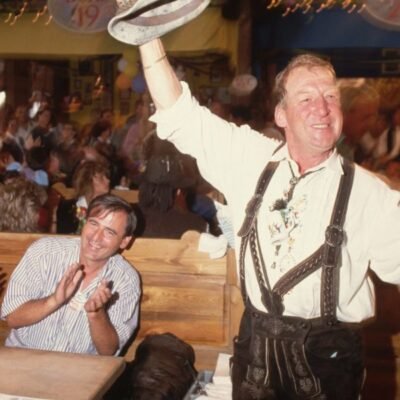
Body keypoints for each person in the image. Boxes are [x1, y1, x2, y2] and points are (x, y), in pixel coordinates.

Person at [138, 39, 400, 399]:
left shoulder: (371, 194)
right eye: (306, 98)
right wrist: (146, 35)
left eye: (330, 96)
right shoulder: (250, 159)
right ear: (281, 115)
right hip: (255, 359)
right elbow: (178, 113)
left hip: (329, 365)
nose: (322, 108)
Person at [1, 193, 141, 356]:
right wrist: (54, 300)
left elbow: (108, 351)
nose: (96, 237)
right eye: (93, 224)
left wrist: (96, 314)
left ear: (124, 241)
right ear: (84, 223)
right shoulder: (45, 251)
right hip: (23, 357)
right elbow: (12, 318)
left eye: (109, 232)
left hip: (79, 368)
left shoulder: (126, 279)